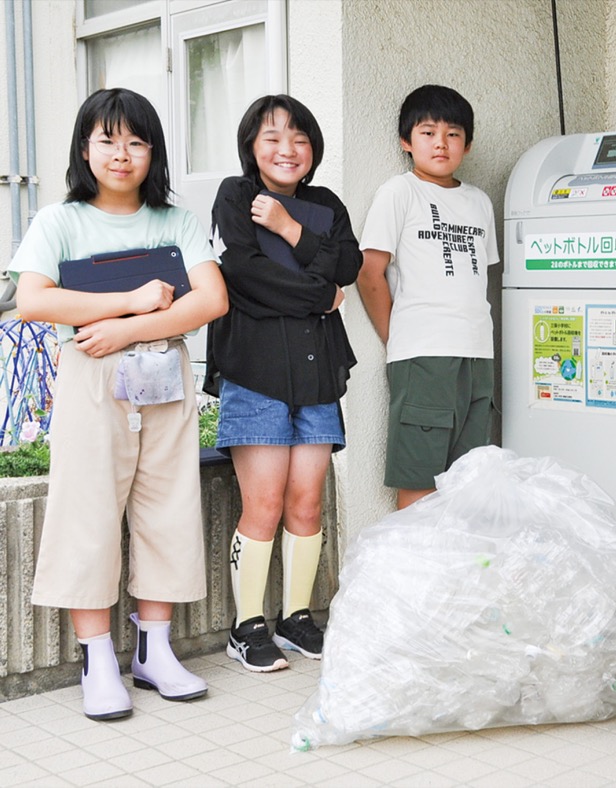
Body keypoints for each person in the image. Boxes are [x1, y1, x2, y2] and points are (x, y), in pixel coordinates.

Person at [10, 88, 228, 719]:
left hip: (162, 370)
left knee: (168, 501)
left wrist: (128, 327)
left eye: (136, 141)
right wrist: (136, 300)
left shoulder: (175, 220)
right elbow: (35, 301)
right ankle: (97, 654)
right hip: (89, 376)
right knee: (88, 508)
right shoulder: (60, 219)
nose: (122, 153)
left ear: (152, 151)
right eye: (107, 140)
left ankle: (154, 648)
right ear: (85, 148)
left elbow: (209, 300)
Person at [205, 95, 362, 673]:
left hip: (319, 372)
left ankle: (296, 618)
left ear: (313, 150)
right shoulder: (235, 196)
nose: (286, 149)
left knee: (306, 502)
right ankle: (247, 626)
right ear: (252, 145)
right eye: (272, 137)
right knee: (264, 503)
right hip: (255, 373)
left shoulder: (324, 206)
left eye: (299, 139)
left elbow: (348, 266)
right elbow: (244, 277)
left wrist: (291, 228)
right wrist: (320, 295)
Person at [357, 84, 500, 510]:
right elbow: (369, 272)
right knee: (420, 481)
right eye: (427, 132)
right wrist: (395, 336)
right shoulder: (399, 193)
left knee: (468, 479)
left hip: (477, 352)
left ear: (468, 144)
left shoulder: (478, 202)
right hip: (423, 353)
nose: (441, 142)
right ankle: (415, 575)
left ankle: (453, 574)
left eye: (453, 133)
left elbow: (479, 278)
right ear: (406, 141)